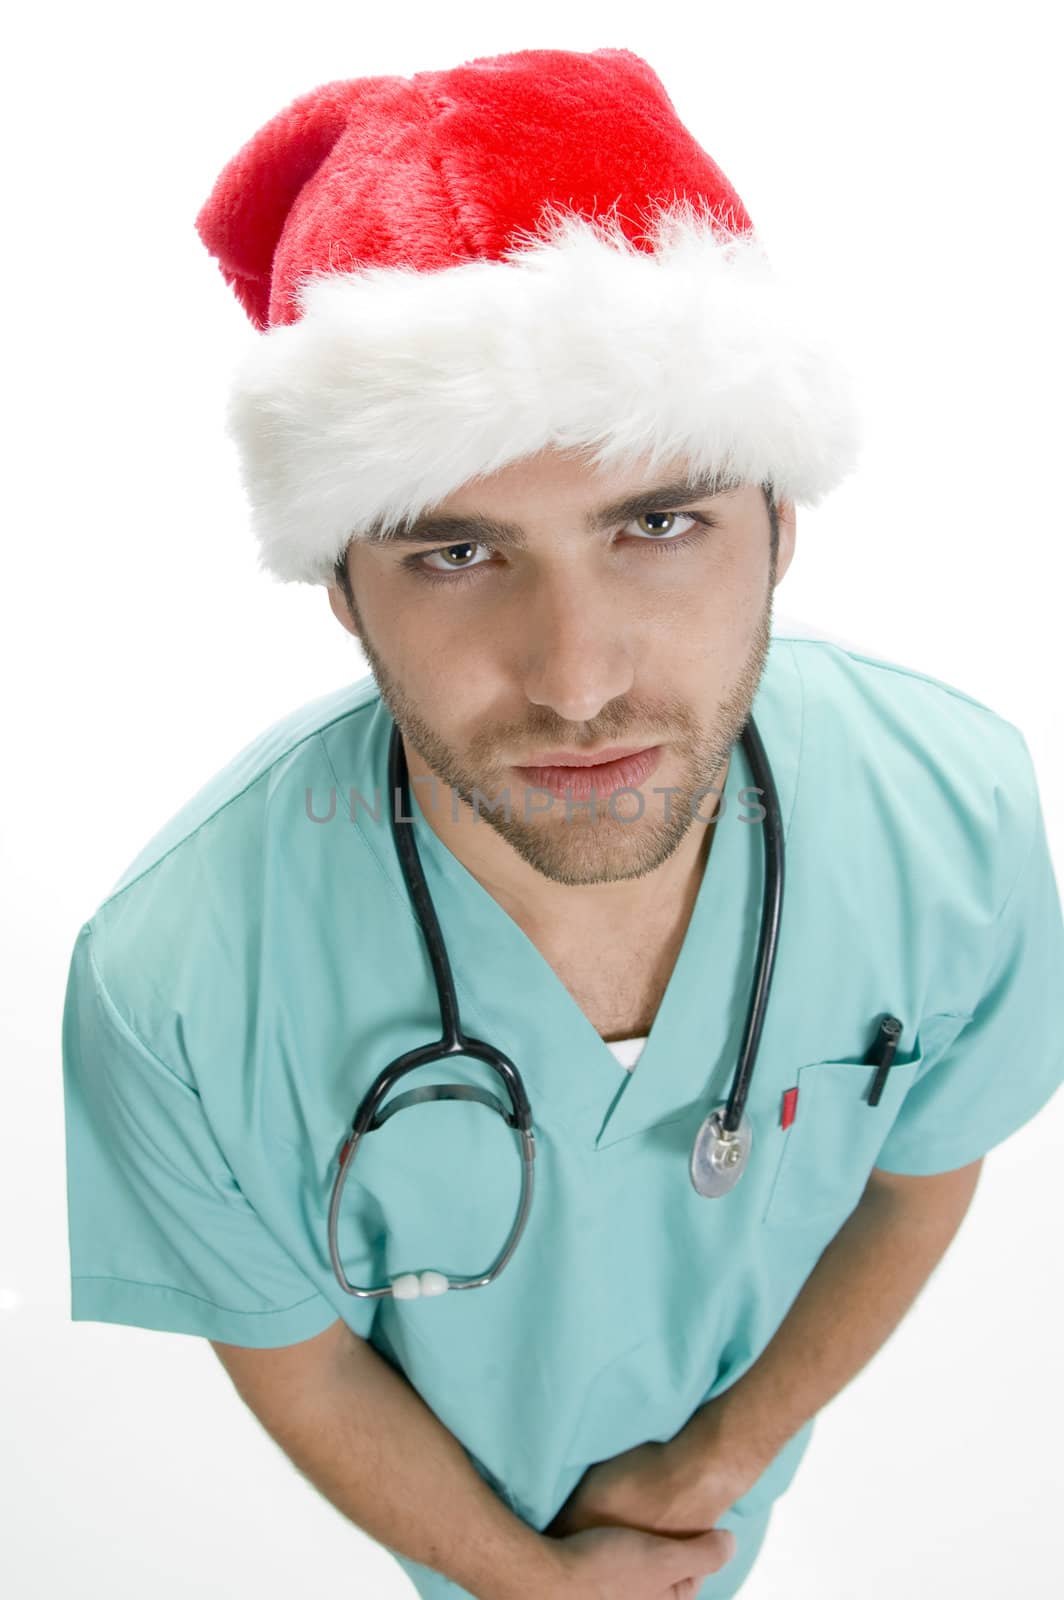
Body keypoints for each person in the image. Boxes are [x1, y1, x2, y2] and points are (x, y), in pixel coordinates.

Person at [60, 46, 1064, 1600]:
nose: (578, 681)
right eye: (455, 555)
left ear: (780, 527)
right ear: (339, 586)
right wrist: (527, 1586)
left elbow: (922, 1174)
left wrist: (723, 1460)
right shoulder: (178, 982)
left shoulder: (957, 817)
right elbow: (302, 1362)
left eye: (657, 524)